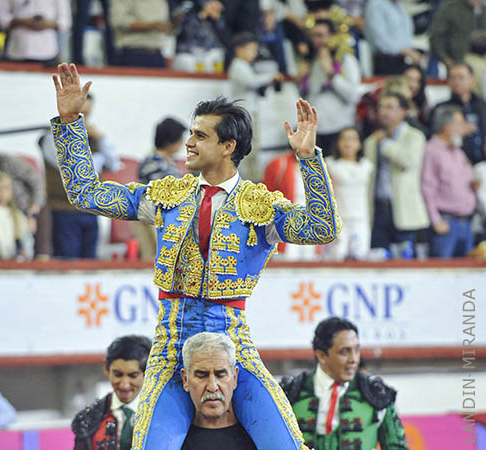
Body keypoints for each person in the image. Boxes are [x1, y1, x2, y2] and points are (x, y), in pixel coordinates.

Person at [51, 62, 341, 450]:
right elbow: (86, 193)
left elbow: (322, 228)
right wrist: (71, 123)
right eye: (191, 133)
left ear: (228, 146)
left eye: (200, 135)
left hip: (233, 351)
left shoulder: (261, 206)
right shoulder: (167, 195)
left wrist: (309, 159)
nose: (188, 142)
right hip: (172, 353)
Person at [280, 317, 409, 449]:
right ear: (321, 356)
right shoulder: (288, 393)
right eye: (345, 352)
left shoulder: (377, 394)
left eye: (356, 350)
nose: (354, 359)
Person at [39, 93, 121, 259]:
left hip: (92, 209)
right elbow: (75, 167)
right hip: (64, 210)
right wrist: (98, 156)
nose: (83, 119)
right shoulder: (52, 137)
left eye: (87, 114)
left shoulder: (94, 136)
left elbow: (115, 164)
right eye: (79, 114)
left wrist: (101, 138)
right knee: (68, 262)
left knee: (90, 262)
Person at [364, 92, 429, 257]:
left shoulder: (414, 136)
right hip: (378, 207)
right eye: (381, 107)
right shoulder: (372, 140)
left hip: (403, 207)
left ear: (403, 111)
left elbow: (408, 161)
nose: (383, 112)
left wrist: (385, 144)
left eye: (389, 107)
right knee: (377, 257)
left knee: (405, 259)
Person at [72, 335, 152, 450]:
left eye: (133, 376)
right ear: (106, 368)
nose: (124, 385)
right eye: (118, 375)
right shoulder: (88, 419)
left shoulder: (160, 415)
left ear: (148, 373)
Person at [180, 332, 256, 450]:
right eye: (202, 376)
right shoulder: (171, 442)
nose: (212, 387)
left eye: (220, 375)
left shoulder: (259, 439)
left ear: (234, 378)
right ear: (185, 379)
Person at [297, 18, 360, 157]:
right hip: (316, 131)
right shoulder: (312, 61)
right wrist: (300, 79)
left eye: (321, 35)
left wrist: (331, 74)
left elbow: (353, 96)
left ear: (332, 36)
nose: (317, 40)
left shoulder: (346, 60)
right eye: (314, 36)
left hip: (339, 130)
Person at [421, 105, 477, 258]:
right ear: (447, 126)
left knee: (467, 270)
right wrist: (436, 220)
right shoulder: (432, 150)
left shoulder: (458, 151)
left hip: (466, 222)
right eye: (460, 124)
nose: (463, 129)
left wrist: (473, 185)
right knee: (442, 269)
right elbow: (427, 187)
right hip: (446, 222)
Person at [228, 31, 284, 182]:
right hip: (244, 113)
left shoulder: (245, 66)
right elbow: (251, 81)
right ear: (239, 49)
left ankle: (254, 179)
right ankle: (248, 180)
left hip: (251, 111)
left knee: (254, 147)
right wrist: (271, 76)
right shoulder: (238, 65)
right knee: (247, 148)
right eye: (251, 49)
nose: (255, 53)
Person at [135, 117, 188, 259]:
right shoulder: (152, 161)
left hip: (169, 216)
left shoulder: (170, 161)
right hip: (153, 215)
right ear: (170, 140)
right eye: (180, 139)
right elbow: (162, 192)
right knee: (154, 258)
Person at [324, 128, 373, 260]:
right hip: (337, 220)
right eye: (344, 138)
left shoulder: (367, 165)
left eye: (352, 139)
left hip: (360, 218)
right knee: (336, 257)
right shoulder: (329, 164)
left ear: (359, 144)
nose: (348, 142)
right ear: (337, 143)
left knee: (361, 256)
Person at [431, 63, 486, 165]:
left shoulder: (482, 105)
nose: (457, 82)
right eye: (452, 78)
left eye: (461, 77)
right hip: (453, 164)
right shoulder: (441, 108)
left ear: (472, 79)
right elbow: (434, 136)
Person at [0, 0, 71, 65]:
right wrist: (22, 22)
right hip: (17, 49)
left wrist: (47, 24)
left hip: (47, 51)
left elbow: (65, 21)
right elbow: (0, 17)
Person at [0, 171, 34, 260]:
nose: (2, 192)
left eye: (6, 188)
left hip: (13, 260)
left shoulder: (18, 215)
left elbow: (26, 240)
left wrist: (26, 253)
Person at [364, 0, 421, 75]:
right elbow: (379, 39)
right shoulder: (376, 4)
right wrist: (406, 52)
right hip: (385, 61)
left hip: (402, 59)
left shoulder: (398, 5)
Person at [109, 0, 172, 68]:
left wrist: (173, 25)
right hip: (132, 53)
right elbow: (118, 21)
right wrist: (151, 26)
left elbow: (165, 25)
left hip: (158, 54)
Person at [429, 0, 486, 72]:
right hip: (458, 62)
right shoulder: (451, 7)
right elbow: (437, 37)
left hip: (482, 63)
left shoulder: (483, 10)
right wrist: (446, 60)